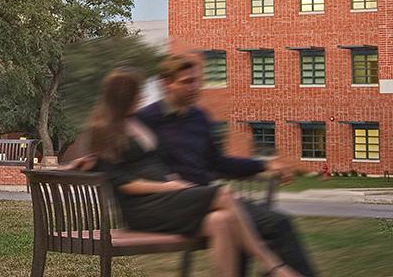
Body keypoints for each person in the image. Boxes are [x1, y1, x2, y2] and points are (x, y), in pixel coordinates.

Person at [86, 67, 303, 277]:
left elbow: (145, 161)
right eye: (138, 91)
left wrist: (170, 181)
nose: (142, 95)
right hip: (144, 208)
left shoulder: (135, 121)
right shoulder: (105, 128)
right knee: (223, 194)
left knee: (222, 220)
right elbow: (121, 181)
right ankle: (270, 266)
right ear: (124, 95)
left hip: (166, 198)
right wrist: (166, 186)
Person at [136, 54, 317, 277]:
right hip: (175, 206)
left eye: (196, 80)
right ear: (166, 83)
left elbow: (218, 163)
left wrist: (264, 165)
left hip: (210, 200)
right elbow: (118, 152)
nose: (194, 87)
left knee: (277, 222)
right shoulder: (146, 119)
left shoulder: (199, 117)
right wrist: (91, 159)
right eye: (186, 82)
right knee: (247, 222)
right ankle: (273, 268)